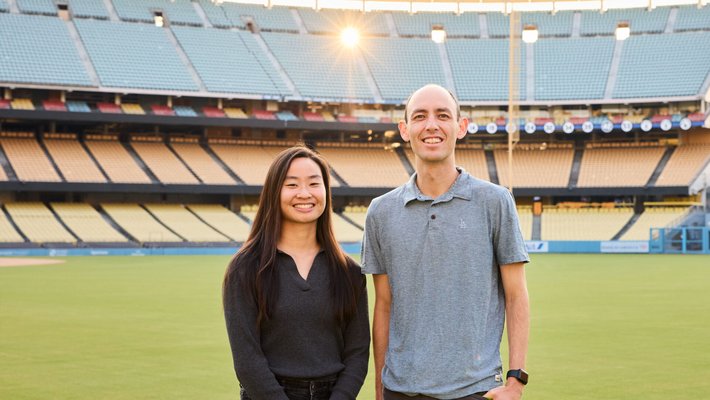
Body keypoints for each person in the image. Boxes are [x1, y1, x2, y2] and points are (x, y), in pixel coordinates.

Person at [361, 84, 530, 400]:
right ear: (405, 129)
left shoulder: (495, 201)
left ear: (461, 126)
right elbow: (383, 305)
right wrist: (380, 389)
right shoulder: (380, 211)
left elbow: (516, 295)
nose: (431, 125)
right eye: (420, 116)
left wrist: (516, 381)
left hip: (476, 389)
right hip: (400, 390)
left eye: (442, 115)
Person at [223, 146, 370, 400]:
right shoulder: (245, 269)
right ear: (274, 192)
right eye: (292, 185)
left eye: (314, 183)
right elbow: (247, 360)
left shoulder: (350, 273)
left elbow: (357, 353)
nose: (305, 193)